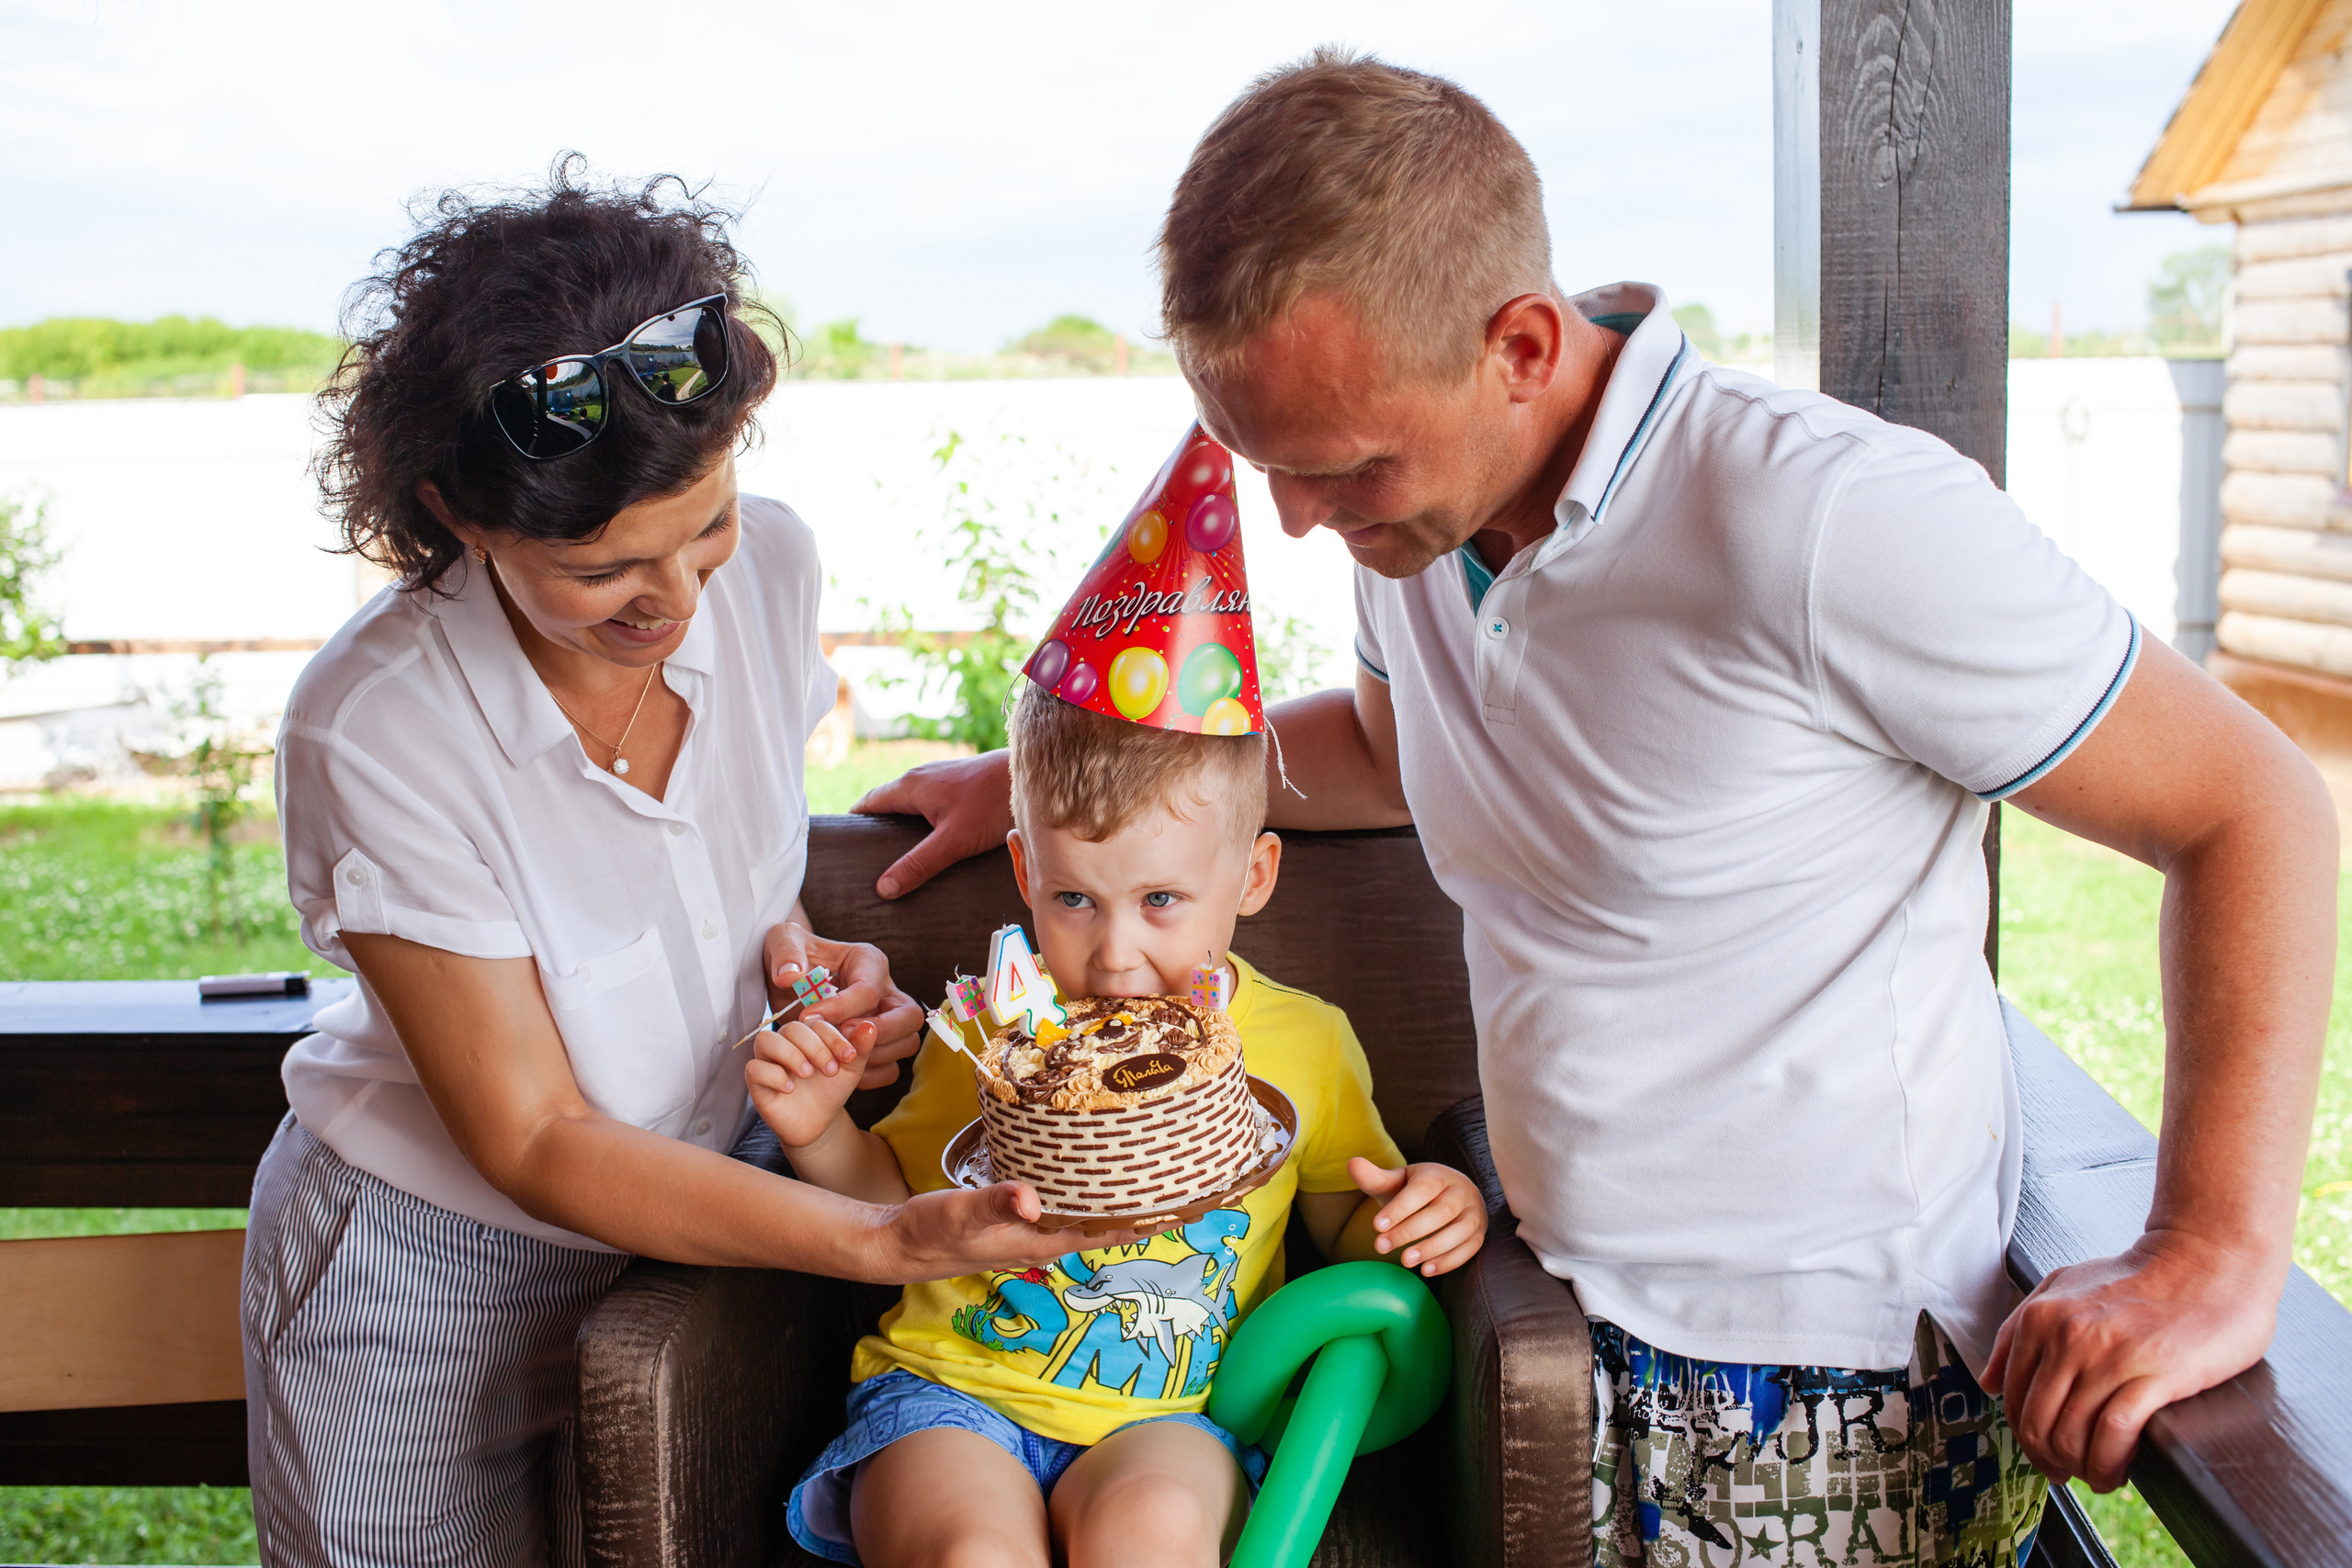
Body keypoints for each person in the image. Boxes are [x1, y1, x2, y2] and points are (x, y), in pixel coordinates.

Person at [857, 51, 2337, 1562]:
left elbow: (2253, 803)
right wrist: (1081, 783)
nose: (1301, 519)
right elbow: (1390, 742)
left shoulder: (1827, 517)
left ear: (1518, 342)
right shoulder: (1416, 535)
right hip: (1560, 1322)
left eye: (1344, 464)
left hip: (1827, 1384)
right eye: (1269, 468)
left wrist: (2213, 1247)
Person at [249, 164, 1098, 1568]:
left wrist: (807, 974)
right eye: (603, 569)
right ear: (459, 514)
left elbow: (715, 861)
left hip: (709, 1205)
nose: (679, 596)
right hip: (426, 1266)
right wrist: (879, 1235)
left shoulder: (771, 570)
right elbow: (532, 1134)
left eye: (706, 521)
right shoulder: (378, 724)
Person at [760, 675, 1488, 1566]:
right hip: (952, 1392)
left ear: (1250, 876)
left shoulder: (1306, 1043)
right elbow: (888, 1199)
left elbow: (1348, 1232)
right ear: (1025, 869)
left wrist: (1422, 1209)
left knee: (1150, 1544)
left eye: (1160, 902)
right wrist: (813, 1130)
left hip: (1173, 1418)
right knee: (971, 1557)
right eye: (1074, 900)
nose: (1113, 957)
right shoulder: (998, 1036)